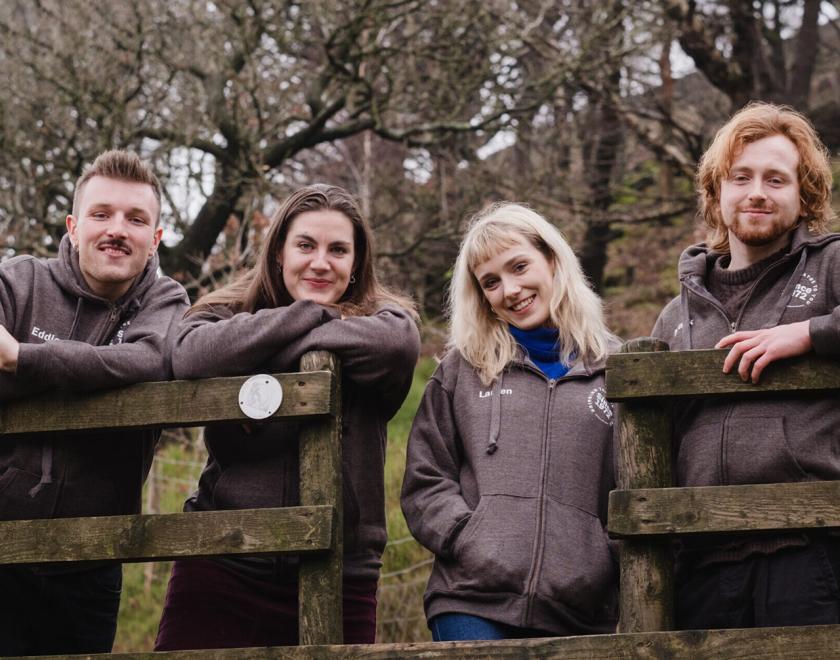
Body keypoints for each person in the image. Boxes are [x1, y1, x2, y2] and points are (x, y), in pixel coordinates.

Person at [155, 184, 420, 649]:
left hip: (342, 571)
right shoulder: (227, 310)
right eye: (306, 245)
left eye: (338, 249)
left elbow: (397, 344)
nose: (321, 262)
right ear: (278, 251)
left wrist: (263, 347)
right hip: (222, 559)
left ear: (356, 262)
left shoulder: (385, 321)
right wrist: (313, 319)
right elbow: (190, 356)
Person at [651, 102, 840, 629]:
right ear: (717, 193)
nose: (757, 191)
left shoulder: (831, 266)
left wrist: (809, 332)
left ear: (804, 198)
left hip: (811, 543)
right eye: (742, 177)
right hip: (703, 558)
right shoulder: (675, 315)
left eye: (776, 179)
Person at [0, 150, 190, 655]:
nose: (117, 230)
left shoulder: (166, 302)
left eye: (136, 219)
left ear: (155, 239)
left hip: (91, 559)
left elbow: (147, 363)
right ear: (73, 226)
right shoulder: (20, 281)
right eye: (101, 214)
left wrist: (22, 359)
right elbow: (121, 369)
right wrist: (96, 372)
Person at [401, 202, 619, 640]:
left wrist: (603, 561)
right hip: (470, 598)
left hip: (578, 608)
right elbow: (426, 477)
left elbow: (634, 487)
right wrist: (468, 538)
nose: (511, 289)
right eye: (491, 283)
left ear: (553, 260)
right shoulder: (462, 371)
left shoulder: (615, 373)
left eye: (519, 266)